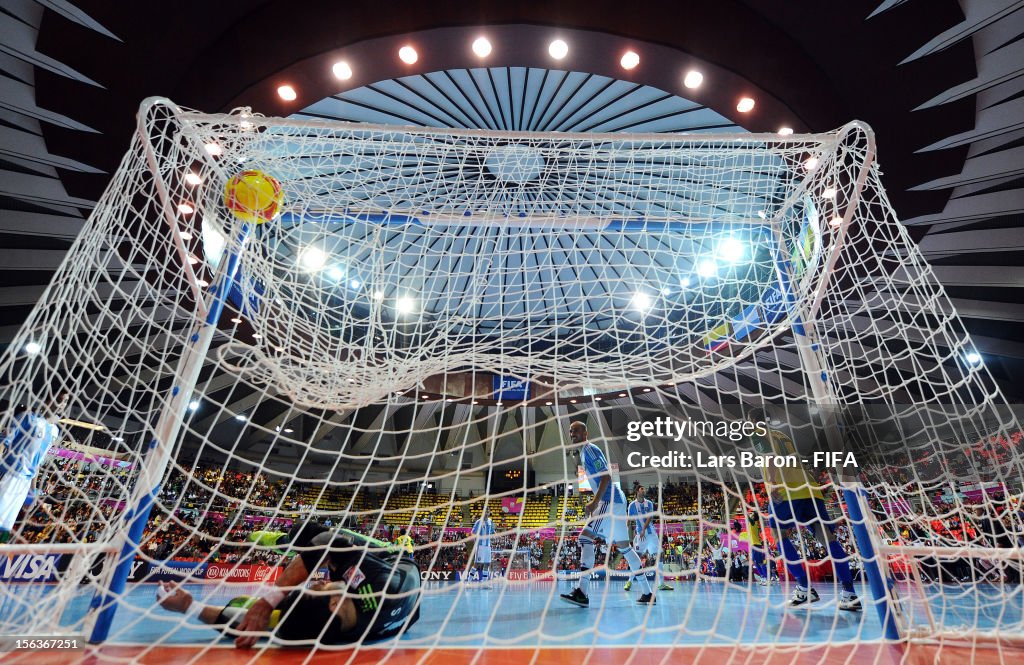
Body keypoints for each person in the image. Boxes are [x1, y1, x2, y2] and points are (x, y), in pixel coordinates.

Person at [158, 524, 421, 648]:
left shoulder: (329, 631)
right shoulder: (382, 585)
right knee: (311, 532)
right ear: (333, 601)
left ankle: (282, 544)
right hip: (392, 558)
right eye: (318, 586)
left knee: (272, 612)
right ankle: (282, 539)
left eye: (316, 585)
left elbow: (249, 625)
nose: (318, 580)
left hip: (383, 608)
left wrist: (190, 606)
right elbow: (327, 540)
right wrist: (267, 601)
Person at [749, 411, 861, 611]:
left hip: (786, 490)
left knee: (779, 535)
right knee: (828, 539)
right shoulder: (782, 435)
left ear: (751, 421)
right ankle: (849, 593)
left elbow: (770, 457)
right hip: (810, 489)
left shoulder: (757, 432)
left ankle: (804, 587)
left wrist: (773, 483)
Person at [560, 420, 654, 606]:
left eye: (576, 431)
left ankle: (582, 591)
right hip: (616, 502)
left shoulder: (590, 450)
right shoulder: (584, 454)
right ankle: (647, 593)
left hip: (609, 501)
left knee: (584, 539)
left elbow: (606, 476)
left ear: (585, 433)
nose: (572, 434)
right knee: (625, 548)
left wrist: (595, 502)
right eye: (570, 432)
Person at [0, 392, 69, 543]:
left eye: (65, 402)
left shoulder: (54, 431)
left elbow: (37, 463)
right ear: (47, 399)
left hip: (24, 484)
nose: (62, 405)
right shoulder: (28, 418)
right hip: (9, 475)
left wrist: (33, 492)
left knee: (5, 528)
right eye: (59, 400)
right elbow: (2, 442)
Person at [624, 485, 673, 592]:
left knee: (659, 556)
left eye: (644, 489)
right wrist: (624, 533)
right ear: (637, 491)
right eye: (642, 489)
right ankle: (629, 581)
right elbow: (629, 520)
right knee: (636, 558)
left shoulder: (649, 503)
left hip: (651, 534)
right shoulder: (632, 505)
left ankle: (661, 584)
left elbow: (650, 517)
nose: (644, 490)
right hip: (640, 536)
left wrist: (644, 529)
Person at [470, 503, 495, 584]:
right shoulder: (478, 522)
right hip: (480, 546)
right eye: (485, 510)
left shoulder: (490, 521)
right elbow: (473, 532)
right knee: (477, 563)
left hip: (488, 546)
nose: (487, 511)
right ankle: (469, 582)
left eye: (488, 510)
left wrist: (495, 535)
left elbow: (492, 531)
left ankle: (484, 583)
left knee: (487, 564)